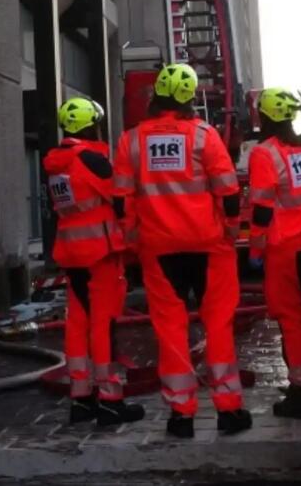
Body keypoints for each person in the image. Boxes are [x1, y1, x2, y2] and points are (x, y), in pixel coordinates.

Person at [112, 63, 252, 438]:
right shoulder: (205, 136)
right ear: (191, 98)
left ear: (156, 94)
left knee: (170, 329)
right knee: (218, 324)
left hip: (159, 249)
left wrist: (131, 241)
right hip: (209, 246)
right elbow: (228, 191)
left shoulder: (132, 141)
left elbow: (121, 200)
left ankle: (181, 415)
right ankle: (229, 410)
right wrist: (230, 233)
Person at [43, 97, 146, 426]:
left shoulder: (57, 165)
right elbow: (121, 198)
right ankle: (111, 399)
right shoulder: (91, 159)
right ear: (91, 125)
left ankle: (81, 398)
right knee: (104, 325)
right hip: (100, 255)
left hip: (71, 255)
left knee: (78, 325)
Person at [247, 88, 301, 419]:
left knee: (292, 320)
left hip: (286, 248)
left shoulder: (264, 154)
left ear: (264, 116)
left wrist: (256, 249)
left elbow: (262, 207)